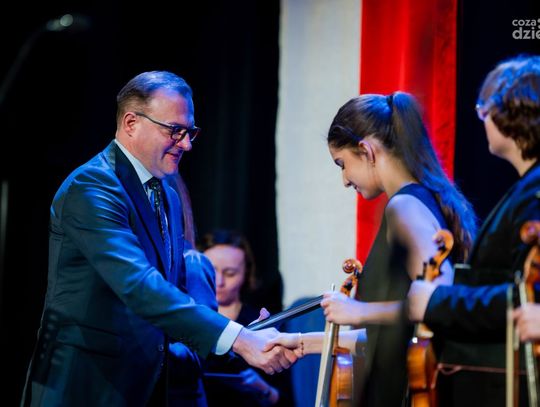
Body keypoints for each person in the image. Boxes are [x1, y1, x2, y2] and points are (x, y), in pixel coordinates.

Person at [20, 71, 297, 407]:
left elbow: (173, 295)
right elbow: (139, 286)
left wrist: (243, 334)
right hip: (86, 388)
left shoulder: (167, 194)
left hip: (143, 388)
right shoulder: (92, 187)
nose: (186, 144)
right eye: (174, 130)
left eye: (190, 131)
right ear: (131, 123)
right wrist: (238, 338)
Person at [267, 91, 477, 406]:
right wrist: (299, 341)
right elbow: (392, 335)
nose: (344, 179)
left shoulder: (404, 207)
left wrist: (360, 310)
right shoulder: (416, 201)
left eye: (342, 164)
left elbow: (441, 301)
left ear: (366, 150)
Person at [407, 54, 540, 406]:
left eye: (483, 110)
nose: (481, 120)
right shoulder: (527, 187)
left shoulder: (535, 192)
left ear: (507, 111)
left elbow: (526, 296)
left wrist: (436, 301)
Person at [199, 229, 295, 406]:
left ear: (246, 274)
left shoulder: (263, 324)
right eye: (211, 270)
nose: (219, 282)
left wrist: (261, 388)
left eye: (230, 273)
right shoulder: (187, 320)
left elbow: (286, 401)